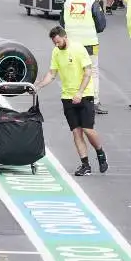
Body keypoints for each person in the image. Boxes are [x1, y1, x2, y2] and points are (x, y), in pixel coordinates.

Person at [34, 25, 108, 176]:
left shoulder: (79, 49)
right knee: (76, 132)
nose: (57, 45)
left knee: (87, 129)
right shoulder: (56, 52)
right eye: (54, 43)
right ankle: (85, 164)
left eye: (58, 42)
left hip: (84, 95)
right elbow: (52, 73)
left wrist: (80, 92)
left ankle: (100, 153)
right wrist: (38, 86)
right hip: (67, 97)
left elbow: (88, 72)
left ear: (64, 37)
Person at [60, 0, 107, 114]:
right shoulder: (92, 3)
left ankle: (73, 99)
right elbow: (101, 25)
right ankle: (95, 101)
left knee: (74, 70)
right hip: (90, 44)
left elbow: (62, 22)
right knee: (93, 72)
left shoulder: (67, 3)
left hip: (72, 44)